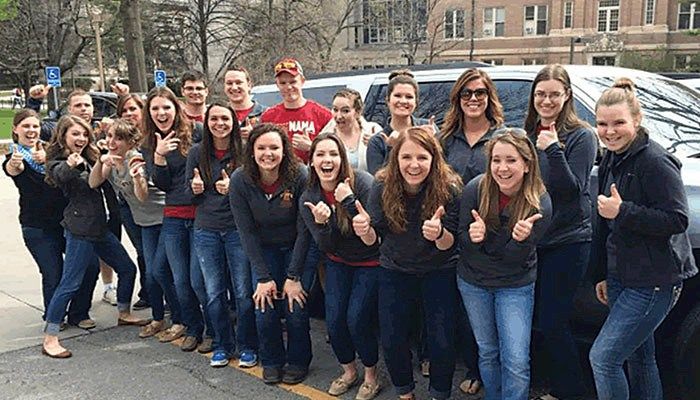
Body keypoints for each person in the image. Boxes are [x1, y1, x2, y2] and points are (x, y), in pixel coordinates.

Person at [588, 78, 697, 400]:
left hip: (654, 280)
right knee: (639, 356)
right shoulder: (612, 156)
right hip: (623, 274)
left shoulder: (655, 161)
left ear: (637, 120)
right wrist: (602, 274)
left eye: (618, 123)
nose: (609, 131)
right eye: (602, 124)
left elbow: (677, 219)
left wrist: (623, 211)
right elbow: (605, 225)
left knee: (603, 358)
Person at [353, 126, 462, 400]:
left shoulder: (449, 188)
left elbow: (451, 244)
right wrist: (364, 230)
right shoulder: (382, 185)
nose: (414, 165)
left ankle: (439, 393)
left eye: (422, 157)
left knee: (442, 338)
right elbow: (373, 240)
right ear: (396, 159)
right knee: (392, 337)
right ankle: (405, 392)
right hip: (395, 269)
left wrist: (439, 234)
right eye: (407, 157)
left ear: (434, 159)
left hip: (439, 269)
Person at [42, 115, 147, 358]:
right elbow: (61, 175)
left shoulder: (92, 154)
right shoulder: (58, 161)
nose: (80, 138)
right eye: (74, 134)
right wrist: (70, 164)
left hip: (101, 227)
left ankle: (123, 313)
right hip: (81, 229)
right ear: (63, 137)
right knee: (70, 283)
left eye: (83, 134)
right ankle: (50, 337)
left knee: (127, 268)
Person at [457, 129, 552, 400]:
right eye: (496, 160)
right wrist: (473, 237)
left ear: (526, 163)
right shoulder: (476, 188)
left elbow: (513, 259)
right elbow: (463, 242)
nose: (502, 168)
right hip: (474, 281)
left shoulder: (539, 201)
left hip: (515, 285)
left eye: (511, 160)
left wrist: (520, 241)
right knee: (487, 351)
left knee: (516, 359)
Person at [522, 64, 599, 400]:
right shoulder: (528, 133)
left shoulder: (582, 136)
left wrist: (554, 148)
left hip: (568, 241)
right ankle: (550, 383)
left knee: (554, 321)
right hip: (535, 240)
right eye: (541, 93)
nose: (547, 100)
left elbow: (573, 190)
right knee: (540, 320)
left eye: (554, 93)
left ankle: (571, 391)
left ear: (566, 95)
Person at [440, 67, 508, 397]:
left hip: (491, 234)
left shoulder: (504, 136)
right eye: (466, 93)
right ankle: (466, 363)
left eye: (480, 92)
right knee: (454, 307)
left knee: (485, 311)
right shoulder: (444, 139)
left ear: (489, 97)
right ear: (457, 99)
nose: (473, 99)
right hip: (447, 232)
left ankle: (483, 369)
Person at [299, 132, 381, 399]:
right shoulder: (309, 196)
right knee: (334, 322)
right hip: (338, 262)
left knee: (356, 318)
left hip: (370, 261)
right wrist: (324, 224)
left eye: (333, 154)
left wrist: (347, 202)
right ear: (311, 162)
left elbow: (374, 237)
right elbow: (327, 246)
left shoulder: (363, 183)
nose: (327, 160)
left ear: (343, 159)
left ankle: (371, 375)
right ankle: (348, 370)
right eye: (320, 154)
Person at [88, 119, 185, 343]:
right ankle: (158, 318)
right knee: (150, 272)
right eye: (110, 136)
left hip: (165, 219)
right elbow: (93, 183)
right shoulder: (111, 161)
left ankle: (180, 319)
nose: (112, 142)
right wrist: (101, 161)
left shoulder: (137, 160)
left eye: (118, 138)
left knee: (159, 271)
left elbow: (142, 197)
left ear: (130, 142)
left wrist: (137, 178)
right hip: (144, 223)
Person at [229, 123, 312, 385]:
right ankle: (272, 359)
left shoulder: (299, 174)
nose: (268, 153)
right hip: (263, 249)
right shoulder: (240, 180)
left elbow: (304, 229)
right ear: (251, 151)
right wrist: (264, 277)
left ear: (284, 150)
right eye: (261, 148)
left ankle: (298, 360)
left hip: (297, 247)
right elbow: (246, 232)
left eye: (274, 147)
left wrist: (294, 275)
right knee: (264, 306)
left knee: (294, 305)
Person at [3, 109, 93, 327]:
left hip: (66, 223)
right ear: (15, 129)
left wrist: (48, 159)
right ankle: (54, 316)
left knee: (90, 266)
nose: (31, 130)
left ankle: (79, 313)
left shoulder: (51, 151)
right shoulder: (15, 155)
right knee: (53, 271)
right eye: (25, 126)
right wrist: (16, 164)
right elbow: (12, 169)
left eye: (34, 126)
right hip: (37, 227)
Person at [186, 102, 258, 367]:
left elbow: (254, 191)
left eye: (225, 118)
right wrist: (194, 188)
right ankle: (221, 344)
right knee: (214, 292)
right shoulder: (197, 153)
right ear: (206, 123)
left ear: (233, 122)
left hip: (238, 230)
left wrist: (234, 187)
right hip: (207, 230)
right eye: (214, 118)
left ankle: (247, 345)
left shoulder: (244, 152)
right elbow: (186, 194)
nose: (220, 124)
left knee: (242, 292)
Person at [144, 87, 213, 352]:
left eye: (166, 107)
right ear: (149, 113)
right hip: (173, 217)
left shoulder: (196, 132)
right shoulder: (150, 142)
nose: (161, 113)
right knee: (180, 279)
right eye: (155, 109)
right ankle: (192, 328)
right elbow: (160, 184)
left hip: (200, 215)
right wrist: (159, 156)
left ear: (176, 108)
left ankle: (212, 329)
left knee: (199, 279)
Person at [115, 93, 151, 311]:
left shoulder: (150, 136)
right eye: (124, 110)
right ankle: (147, 291)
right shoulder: (116, 135)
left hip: (150, 203)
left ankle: (157, 291)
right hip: (125, 203)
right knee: (141, 249)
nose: (128, 114)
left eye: (133, 109)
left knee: (151, 251)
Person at [259, 58, 332, 164]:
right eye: (283, 83)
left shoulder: (323, 115)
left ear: (302, 81)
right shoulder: (268, 117)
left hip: (313, 176)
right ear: (277, 85)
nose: (288, 87)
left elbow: (335, 152)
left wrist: (311, 147)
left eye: (293, 82)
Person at [365, 69, 437, 175]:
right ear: (388, 100)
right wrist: (392, 149)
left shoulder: (428, 129)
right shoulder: (377, 141)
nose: (403, 101)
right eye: (398, 96)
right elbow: (378, 183)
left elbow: (443, 170)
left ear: (416, 102)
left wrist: (434, 142)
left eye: (409, 97)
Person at [320, 88, 383, 172]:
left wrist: (376, 145)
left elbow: (388, 164)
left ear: (358, 112)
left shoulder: (373, 130)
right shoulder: (325, 136)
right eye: (335, 110)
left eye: (345, 111)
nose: (339, 116)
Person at [223, 65, 267, 143]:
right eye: (229, 83)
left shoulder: (267, 114)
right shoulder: (218, 116)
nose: (234, 87)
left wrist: (255, 135)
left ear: (249, 85)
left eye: (238, 82)